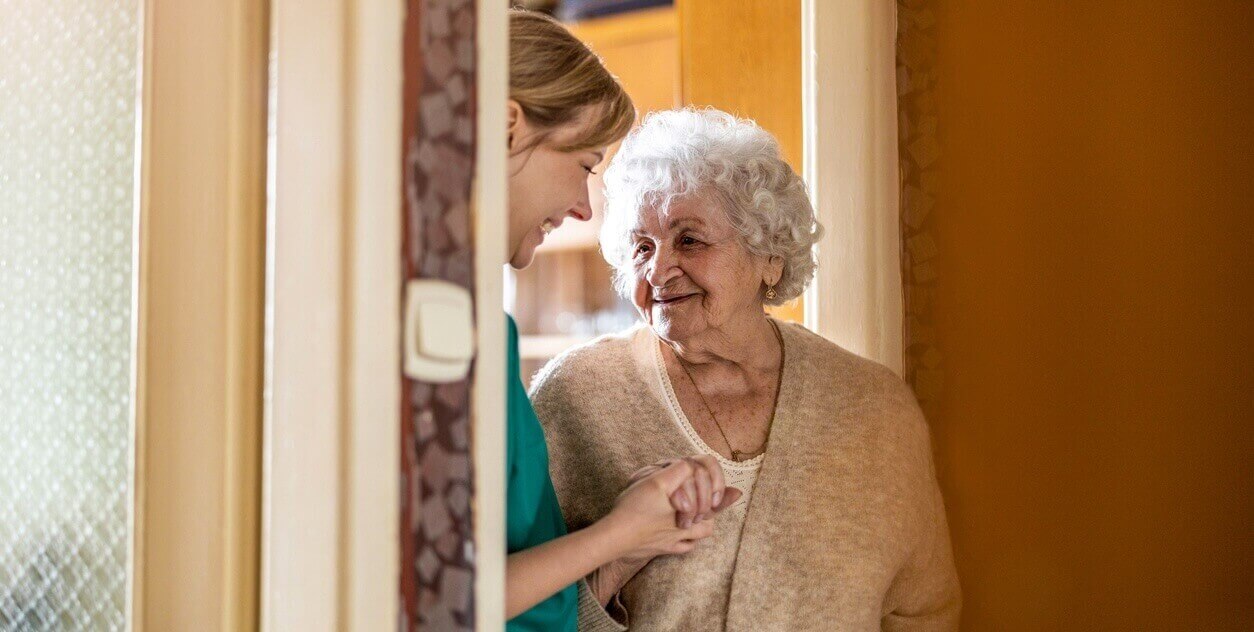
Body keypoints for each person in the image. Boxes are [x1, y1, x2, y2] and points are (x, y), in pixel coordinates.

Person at [532, 108, 962, 630]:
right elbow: (520, 611)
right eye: (641, 246)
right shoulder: (578, 395)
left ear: (770, 256)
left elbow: (924, 612)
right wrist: (614, 563)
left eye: (689, 239)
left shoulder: (874, 408)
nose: (657, 268)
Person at [503, 12, 739, 631]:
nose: (585, 206)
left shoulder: (486, 334)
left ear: (770, 258)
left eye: (691, 240)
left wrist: (627, 540)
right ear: (506, 128)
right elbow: (437, 588)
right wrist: (618, 534)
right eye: (585, 163)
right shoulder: (459, 338)